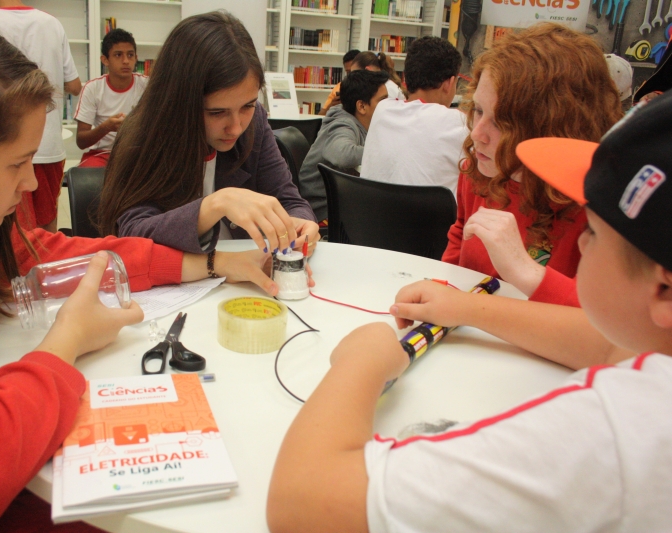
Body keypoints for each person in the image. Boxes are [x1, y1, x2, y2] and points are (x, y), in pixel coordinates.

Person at [0, 18, 288, 531]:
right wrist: (66, 339)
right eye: (18, 163)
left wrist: (211, 263)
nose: (31, 182)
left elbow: (49, 249)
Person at [267, 88, 672, 533]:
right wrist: (466, 308)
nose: (579, 241)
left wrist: (359, 361)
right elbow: (604, 344)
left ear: (663, 290)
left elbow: (301, 501)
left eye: (593, 231)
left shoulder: (618, 431)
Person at [99, 11, 319, 257]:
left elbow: (289, 201)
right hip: (176, 287)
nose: (236, 127)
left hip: (245, 278)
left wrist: (300, 224)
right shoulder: (143, 134)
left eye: (247, 105)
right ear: (178, 102)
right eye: (216, 112)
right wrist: (215, 205)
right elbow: (130, 234)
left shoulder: (255, 120)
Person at [442, 23, 622, 306]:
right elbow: (459, 233)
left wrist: (524, 271)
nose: (477, 134)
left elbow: (609, 322)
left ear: (553, 127)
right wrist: (444, 286)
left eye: (502, 121)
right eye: (478, 110)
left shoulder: (600, 205)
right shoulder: (477, 171)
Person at [0, 0, 83, 233]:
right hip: (48, 142)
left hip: (2, 148)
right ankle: (46, 268)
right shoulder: (52, 23)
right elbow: (75, 85)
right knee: (47, 223)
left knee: (10, 229)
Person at [360, 36, 466, 196]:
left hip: (374, 217)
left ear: (405, 79)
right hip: (434, 220)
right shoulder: (459, 123)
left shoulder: (382, 110)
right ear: (449, 83)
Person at [298, 70, 389, 222]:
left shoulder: (361, 123)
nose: (389, 106)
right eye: (383, 101)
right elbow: (343, 154)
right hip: (325, 210)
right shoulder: (343, 124)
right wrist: (387, 153)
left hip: (341, 202)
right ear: (361, 106)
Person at [74, 28, 147, 168]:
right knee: (87, 177)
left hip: (138, 153)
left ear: (136, 58)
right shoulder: (92, 88)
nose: (126, 61)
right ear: (105, 60)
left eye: (130, 55)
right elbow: (81, 142)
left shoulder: (147, 85)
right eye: (118, 55)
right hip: (102, 154)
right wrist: (106, 127)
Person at [319, 48, 361, 116]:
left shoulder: (369, 88)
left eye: (353, 71)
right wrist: (331, 106)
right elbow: (320, 115)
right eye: (348, 72)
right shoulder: (339, 87)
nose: (350, 75)